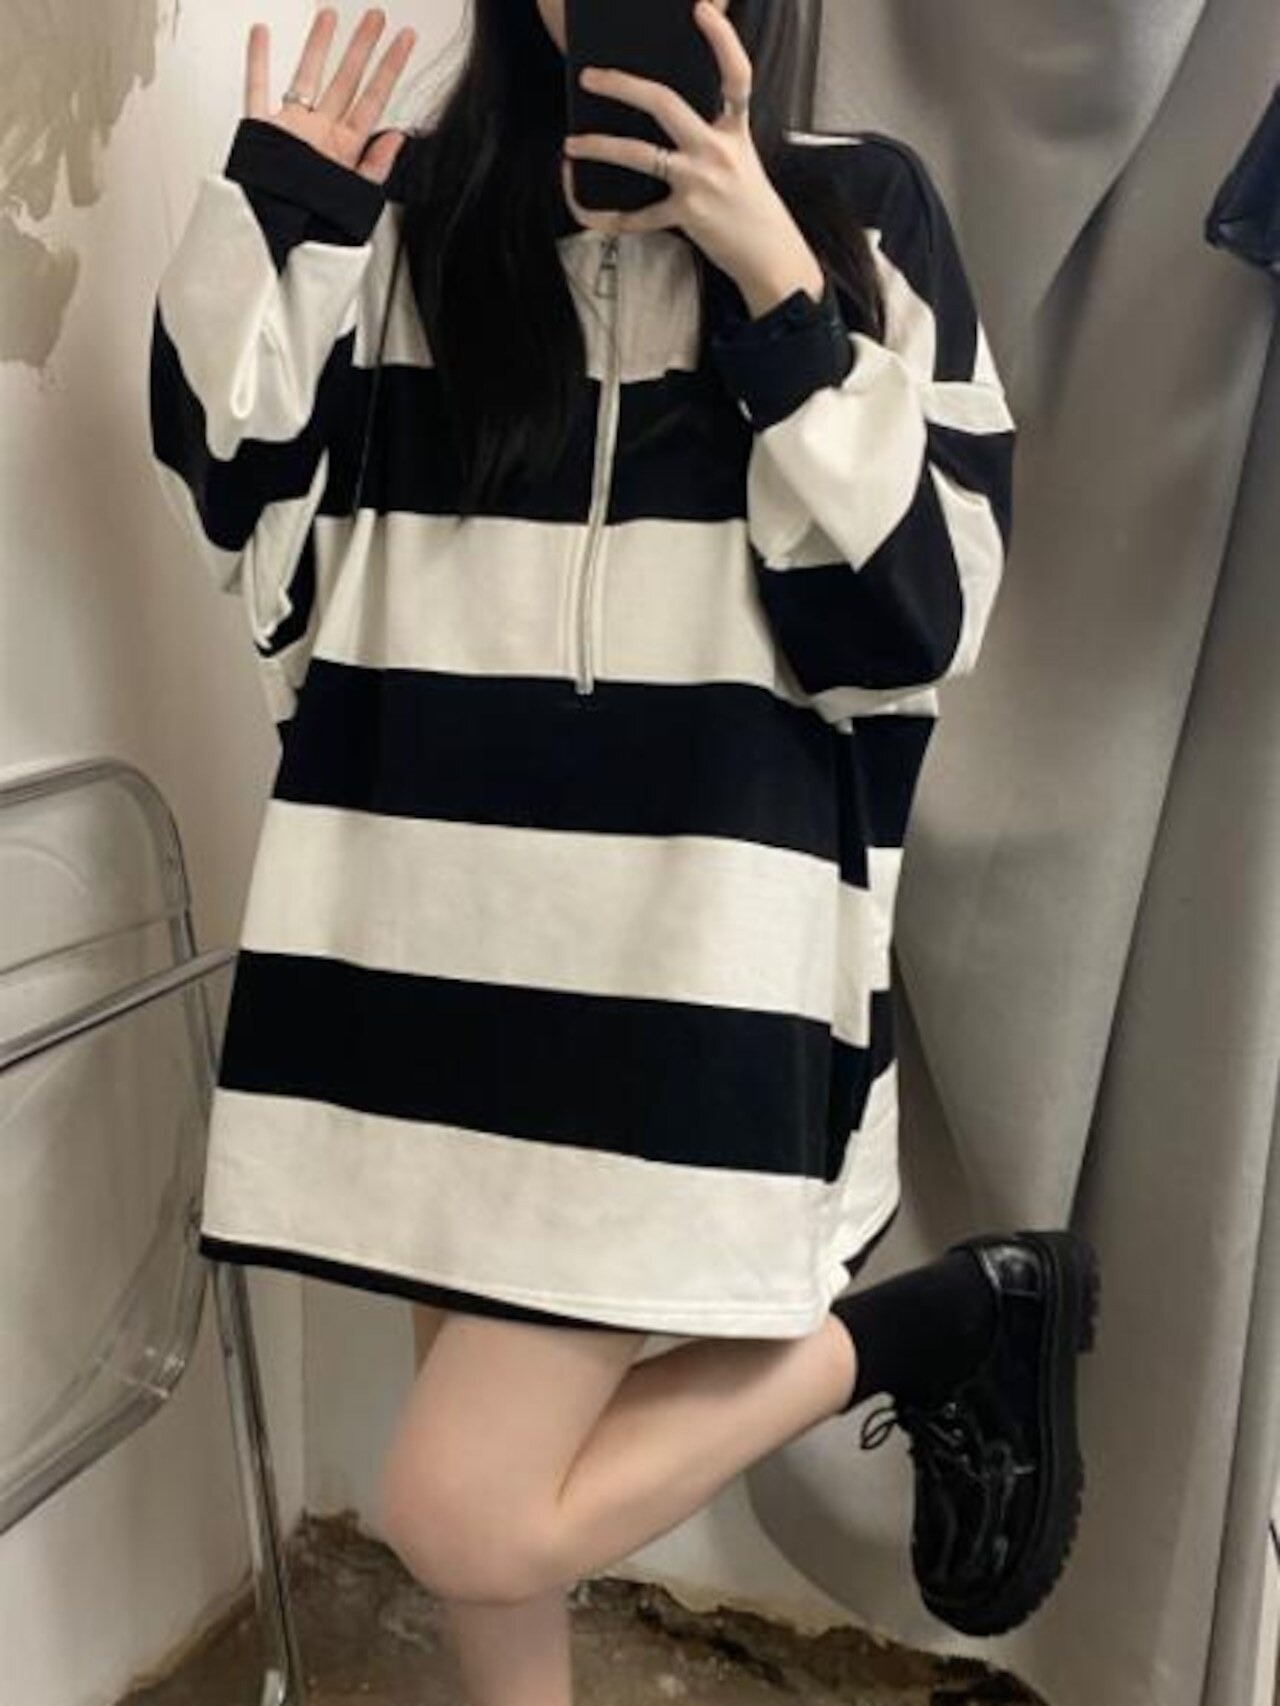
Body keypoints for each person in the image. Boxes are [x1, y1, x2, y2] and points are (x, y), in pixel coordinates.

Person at [148, 2, 1100, 1695]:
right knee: (496, 1515)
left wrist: (776, 291)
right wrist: (284, 223)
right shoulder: (425, 222)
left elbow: (915, 619)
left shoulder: (863, 212)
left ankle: (945, 1320)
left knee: (463, 1507)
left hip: (688, 967)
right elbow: (257, 532)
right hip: (421, 935)